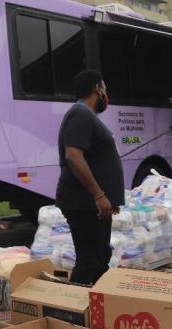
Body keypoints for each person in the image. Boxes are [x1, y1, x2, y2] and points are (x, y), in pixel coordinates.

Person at [54, 70, 123, 285]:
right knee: (89, 261)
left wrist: (110, 198)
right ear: (97, 89)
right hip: (83, 203)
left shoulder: (87, 116)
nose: (106, 94)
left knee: (99, 258)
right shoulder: (80, 114)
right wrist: (99, 195)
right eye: (105, 88)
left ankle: (97, 302)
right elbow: (73, 156)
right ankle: (76, 302)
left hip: (93, 204)